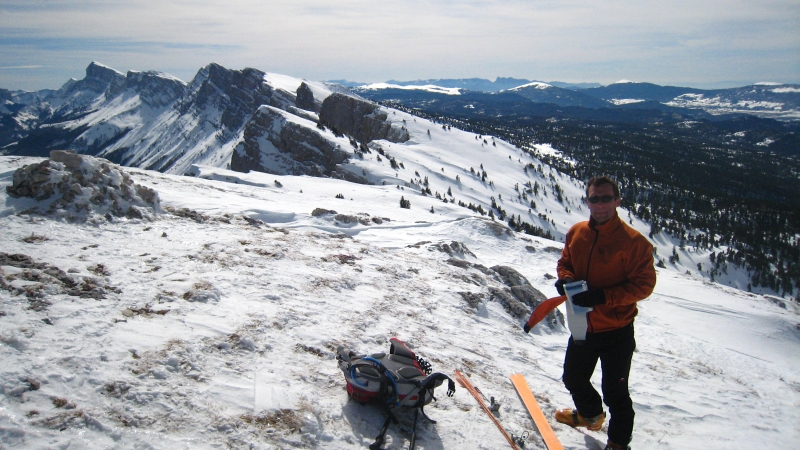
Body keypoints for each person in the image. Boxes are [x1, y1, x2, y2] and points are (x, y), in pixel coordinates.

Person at [553, 176, 656, 450]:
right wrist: (565, 278)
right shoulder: (577, 233)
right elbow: (565, 262)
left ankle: (618, 444)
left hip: (616, 330)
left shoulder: (634, 243)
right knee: (573, 378)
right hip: (582, 325)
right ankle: (591, 415)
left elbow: (644, 285)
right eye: (594, 199)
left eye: (606, 198)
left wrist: (603, 297)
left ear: (617, 201)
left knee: (615, 393)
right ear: (587, 201)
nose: (600, 204)